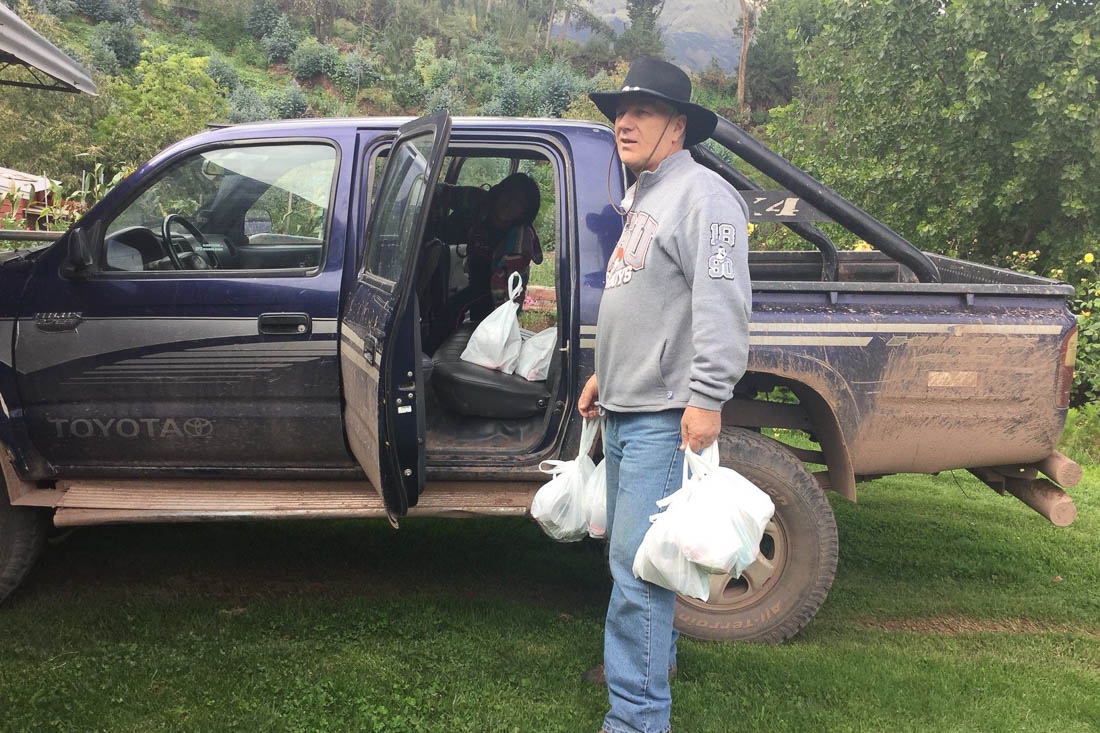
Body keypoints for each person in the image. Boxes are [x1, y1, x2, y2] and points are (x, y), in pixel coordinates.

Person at [577, 57, 752, 733]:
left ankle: (638, 717)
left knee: (637, 570)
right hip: (627, 405)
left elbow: (722, 303)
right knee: (640, 561)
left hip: (660, 417)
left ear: (676, 127)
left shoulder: (704, 197)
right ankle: (652, 666)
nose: (624, 121)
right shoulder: (649, 194)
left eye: (642, 111)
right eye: (621, 110)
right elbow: (644, 299)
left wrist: (708, 395)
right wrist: (605, 374)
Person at [424, 172, 542, 353]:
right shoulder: (478, 201)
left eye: (519, 203)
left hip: (496, 288)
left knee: (455, 309)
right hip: (476, 276)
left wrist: (503, 322)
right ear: (500, 191)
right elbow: (439, 191)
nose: (510, 205)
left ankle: (431, 357)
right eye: (508, 195)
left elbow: (514, 289)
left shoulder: (519, 239)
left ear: (524, 212)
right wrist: (434, 218)